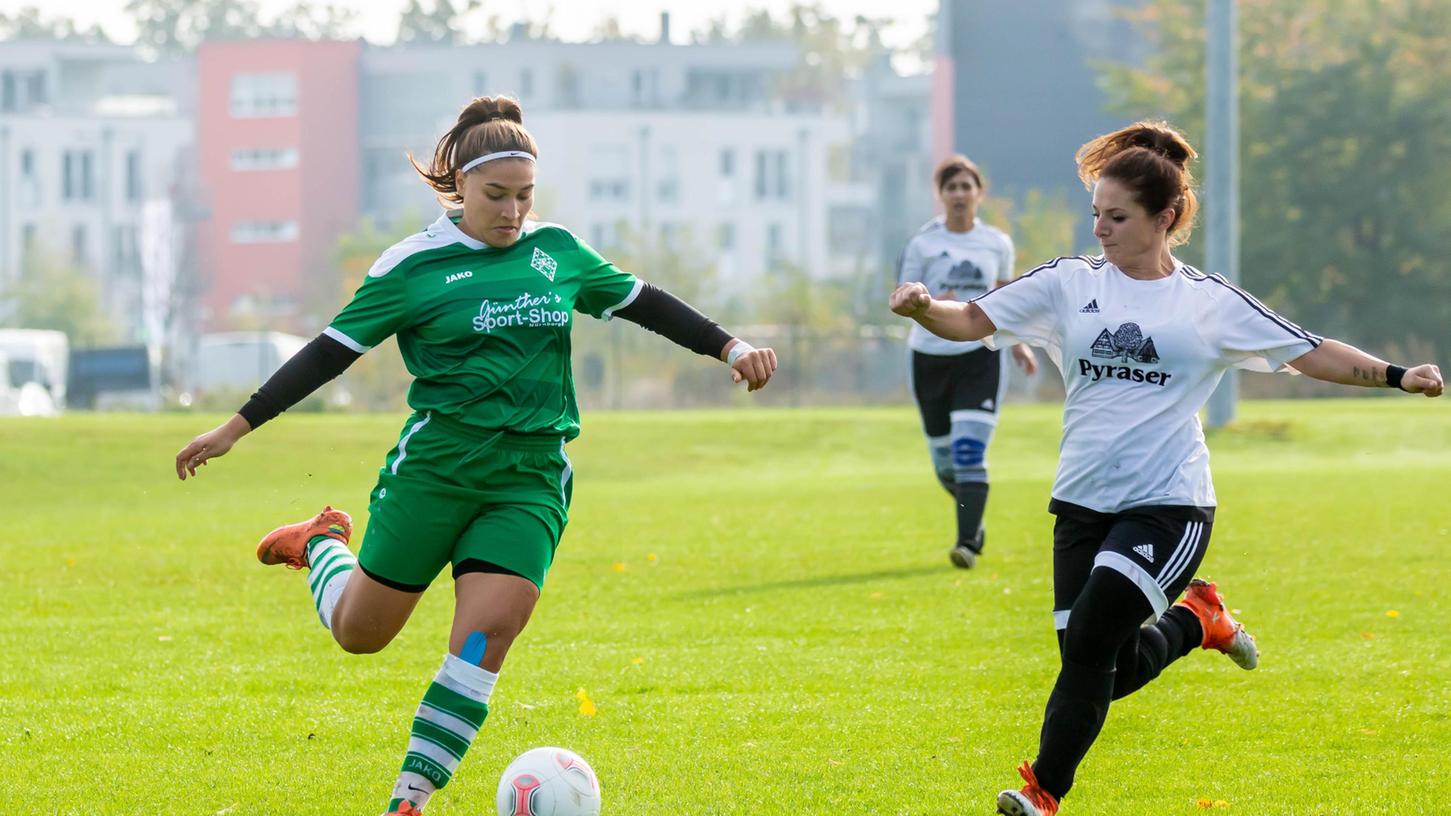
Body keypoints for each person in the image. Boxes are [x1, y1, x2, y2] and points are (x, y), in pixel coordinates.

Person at [174, 96, 779, 816]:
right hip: (435, 471)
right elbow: (327, 355)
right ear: (458, 186)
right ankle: (324, 544)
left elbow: (645, 301)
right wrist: (235, 427)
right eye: (496, 195)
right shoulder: (412, 266)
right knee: (361, 636)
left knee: (483, 641)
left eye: (525, 196)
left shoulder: (557, 253)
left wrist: (729, 346)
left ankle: (409, 798)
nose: (512, 211)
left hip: (527, 479)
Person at [889, 120, 1442, 815]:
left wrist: (1396, 376)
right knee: (1101, 671)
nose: (1100, 230)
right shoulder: (1067, 285)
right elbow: (970, 320)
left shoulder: (1205, 303)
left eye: (1116, 217)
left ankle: (1042, 793)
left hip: (1168, 504)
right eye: (1095, 214)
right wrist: (923, 308)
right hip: (1081, 502)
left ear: (1165, 217)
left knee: (1091, 637)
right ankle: (1198, 621)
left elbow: (1306, 350)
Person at [896, 155, 1037, 568]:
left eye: (965, 186)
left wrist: (1019, 344)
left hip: (981, 356)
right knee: (945, 465)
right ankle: (973, 516)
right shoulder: (922, 244)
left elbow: (1004, 297)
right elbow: (901, 299)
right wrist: (931, 306)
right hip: (929, 358)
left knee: (969, 452)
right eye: (950, 187)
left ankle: (966, 545)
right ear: (940, 196)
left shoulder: (997, 243)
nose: (959, 194)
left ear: (979, 193)